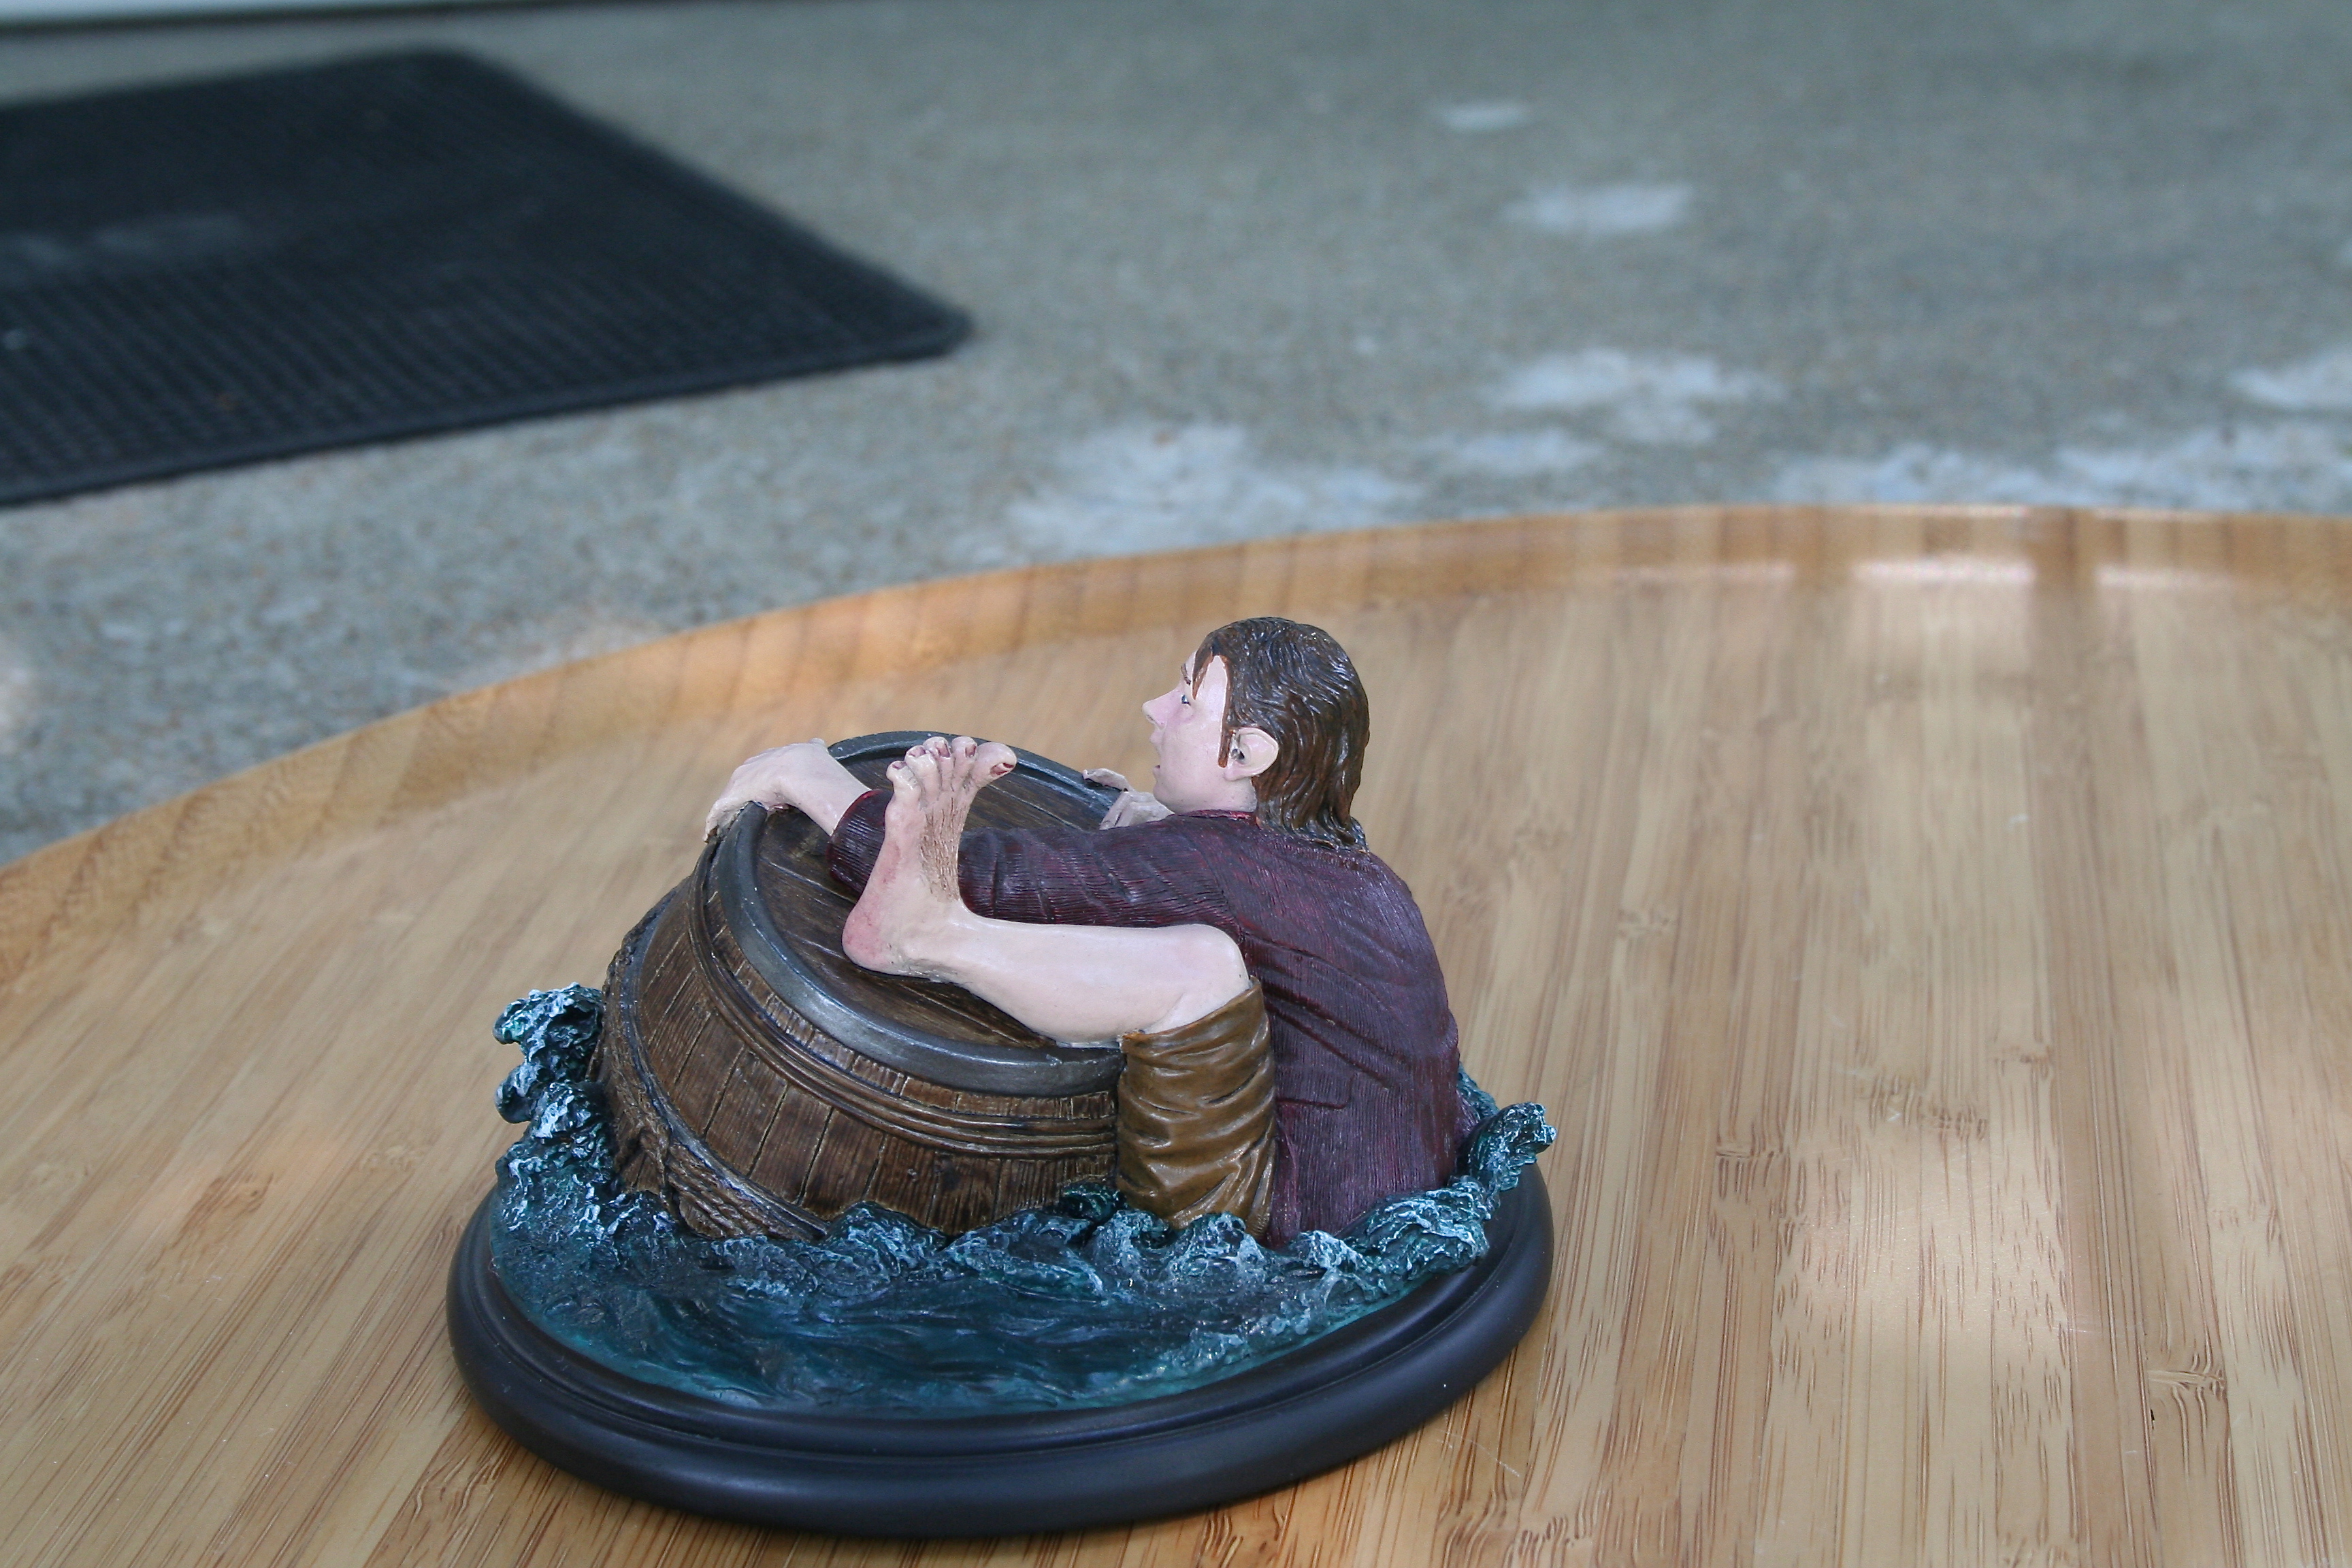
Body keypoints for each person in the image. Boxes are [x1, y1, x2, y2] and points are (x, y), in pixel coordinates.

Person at [705, 617, 1467, 1244]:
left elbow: (977, 874)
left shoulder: (1214, 864)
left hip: (1293, 1226)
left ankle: (925, 937)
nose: (1155, 708)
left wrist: (811, 778)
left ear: (1245, 755)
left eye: (1187, 700)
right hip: (1390, 1196)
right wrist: (1162, 837)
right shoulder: (1348, 864)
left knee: (1200, 967)